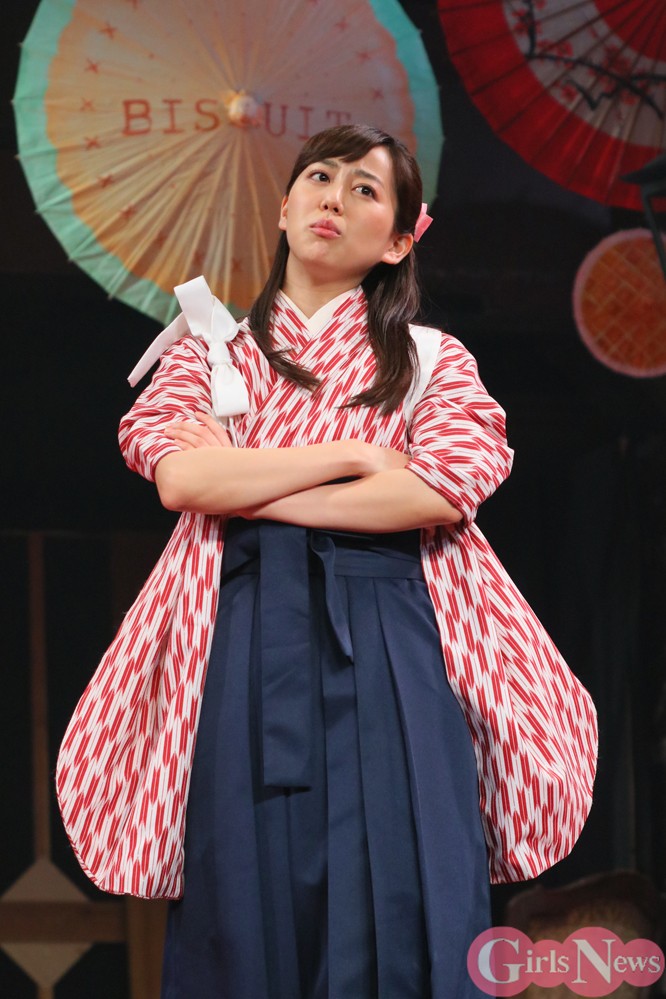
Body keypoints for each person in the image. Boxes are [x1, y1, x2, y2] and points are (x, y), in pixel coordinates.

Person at [56, 124, 597, 999]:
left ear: (398, 241)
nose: (333, 198)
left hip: (396, 630)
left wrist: (246, 486)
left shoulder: (430, 359)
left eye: (365, 189)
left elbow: (438, 491)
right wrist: (354, 454)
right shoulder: (210, 351)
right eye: (318, 177)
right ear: (283, 208)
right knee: (244, 891)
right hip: (240, 630)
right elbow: (180, 478)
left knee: (405, 879)